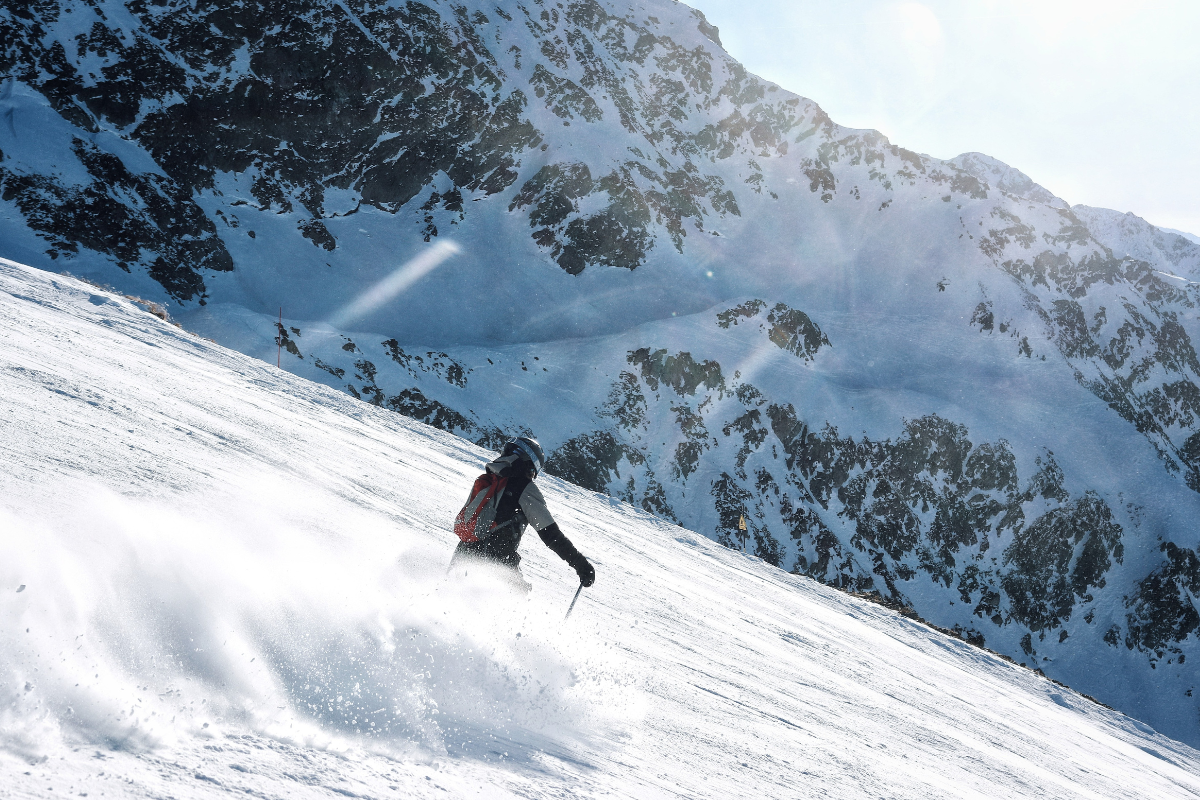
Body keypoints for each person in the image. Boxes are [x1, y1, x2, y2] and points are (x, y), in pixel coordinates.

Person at [451, 436, 595, 590]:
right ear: (529, 463)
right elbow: (550, 534)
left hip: (464, 552)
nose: (532, 475)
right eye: (534, 470)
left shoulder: (492, 478)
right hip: (496, 559)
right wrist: (581, 564)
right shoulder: (524, 487)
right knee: (518, 599)